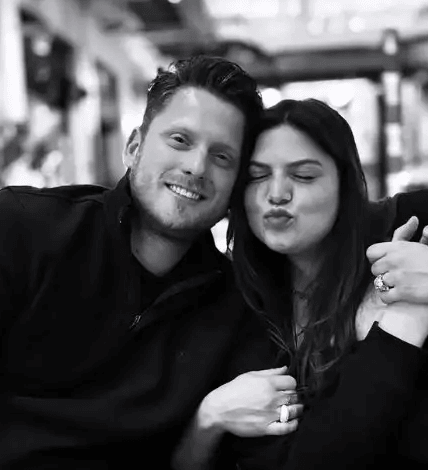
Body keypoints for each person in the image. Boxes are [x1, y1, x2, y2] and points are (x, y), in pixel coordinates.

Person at [0, 56, 304, 469]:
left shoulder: (239, 311)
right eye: (180, 140)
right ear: (134, 147)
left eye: (221, 157)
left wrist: (206, 421)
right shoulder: (26, 229)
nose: (196, 166)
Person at [173, 98, 428, 469]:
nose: (277, 193)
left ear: (344, 183)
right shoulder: (245, 307)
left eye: (304, 176)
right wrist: (405, 324)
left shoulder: (424, 221)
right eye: (256, 176)